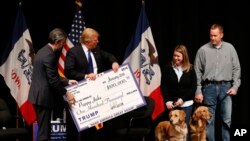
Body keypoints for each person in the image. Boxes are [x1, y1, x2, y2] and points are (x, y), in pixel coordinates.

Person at [64, 27, 120, 141]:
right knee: (77, 126)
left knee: (93, 124)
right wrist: (85, 76)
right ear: (87, 41)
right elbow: (69, 71)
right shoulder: (73, 52)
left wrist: (114, 62)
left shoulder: (96, 50)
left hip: (96, 92)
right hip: (80, 93)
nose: (97, 41)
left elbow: (109, 56)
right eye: (95, 40)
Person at [28, 28, 78, 141]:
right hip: (43, 98)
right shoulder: (49, 55)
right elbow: (53, 80)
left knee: (44, 130)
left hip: (38, 96)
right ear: (57, 42)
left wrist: (67, 81)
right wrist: (66, 93)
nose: (64, 44)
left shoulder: (43, 50)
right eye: (63, 42)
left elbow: (52, 74)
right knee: (44, 133)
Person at [194, 23, 241, 141]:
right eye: (211, 35)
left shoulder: (230, 48)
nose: (212, 38)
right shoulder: (203, 50)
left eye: (215, 35)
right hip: (209, 87)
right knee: (209, 120)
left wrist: (235, 86)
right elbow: (197, 72)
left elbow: (237, 68)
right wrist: (198, 91)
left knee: (226, 120)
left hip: (226, 87)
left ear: (221, 35)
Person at [161, 44, 197, 141]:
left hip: (187, 104)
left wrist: (182, 99)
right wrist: (167, 100)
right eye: (174, 55)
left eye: (178, 56)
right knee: (172, 132)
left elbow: (193, 88)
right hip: (172, 105)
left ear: (184, 56)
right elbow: (164, 86)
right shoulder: (168, 67)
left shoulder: (191, 68)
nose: (176, 58)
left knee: (184, 132)